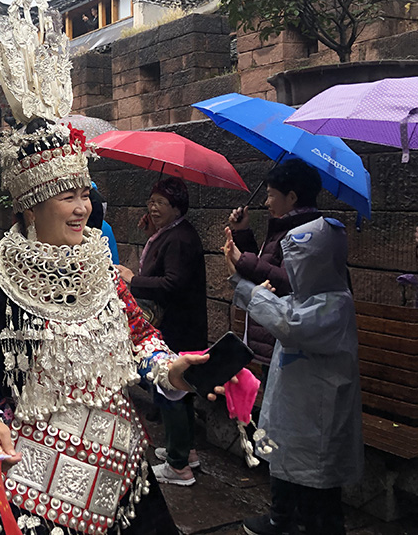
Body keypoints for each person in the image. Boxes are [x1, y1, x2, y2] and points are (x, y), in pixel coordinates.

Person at [0, 0, 221, 535]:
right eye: (70, 197)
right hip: (28, 474)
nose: (84, 208)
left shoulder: (105, 278)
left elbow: (141, 342)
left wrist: (174, 370)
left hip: (118, 464)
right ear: (32, 204)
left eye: (85, 195)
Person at [228, 217, 362, 535]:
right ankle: (281, 517)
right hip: (295, 407)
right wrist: (247, 284)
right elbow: (280, 309)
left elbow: (290, 325)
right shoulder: (307, 298)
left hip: (319, 414)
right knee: (284, 459)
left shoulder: (336, 304)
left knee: (319, 488)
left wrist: (243, 285)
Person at [117, 177, 208, 487]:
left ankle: (179, 466)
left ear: (177, 207)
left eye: (161, 203)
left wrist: (132, 279)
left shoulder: (180, 239)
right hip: (177, 325)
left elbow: (172, 284)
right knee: (176, 392)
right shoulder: (169, 233)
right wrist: (153, 234)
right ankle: (184, 450)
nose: (153, 207)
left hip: (178, 328)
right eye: (151, 200)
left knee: (173, 391)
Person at [224, 159, 323, 364]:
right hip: (271, 335)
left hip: (285, 341)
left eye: (271, 195)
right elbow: (266, 266)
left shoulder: (305, 235)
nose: (266, 202)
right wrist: (242, 232)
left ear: (292, 197)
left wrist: (242, 260)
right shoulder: (285, 226)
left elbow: (288, 280)